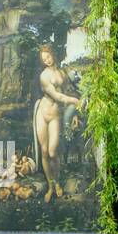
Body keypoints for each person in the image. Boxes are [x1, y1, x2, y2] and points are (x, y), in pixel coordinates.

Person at [32, 44, 83, 203]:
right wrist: (75, 101)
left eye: (48, 56)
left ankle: (57, 181)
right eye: (43, 59)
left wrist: (74, 113)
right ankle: (51, 185)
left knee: (53, 152)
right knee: (45, 151)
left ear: (53, 55)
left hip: (55, 115)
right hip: (42, 113)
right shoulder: (44, 76)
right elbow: (58, 96)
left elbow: (67, 92)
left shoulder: (62, 73)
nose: (46, 60)